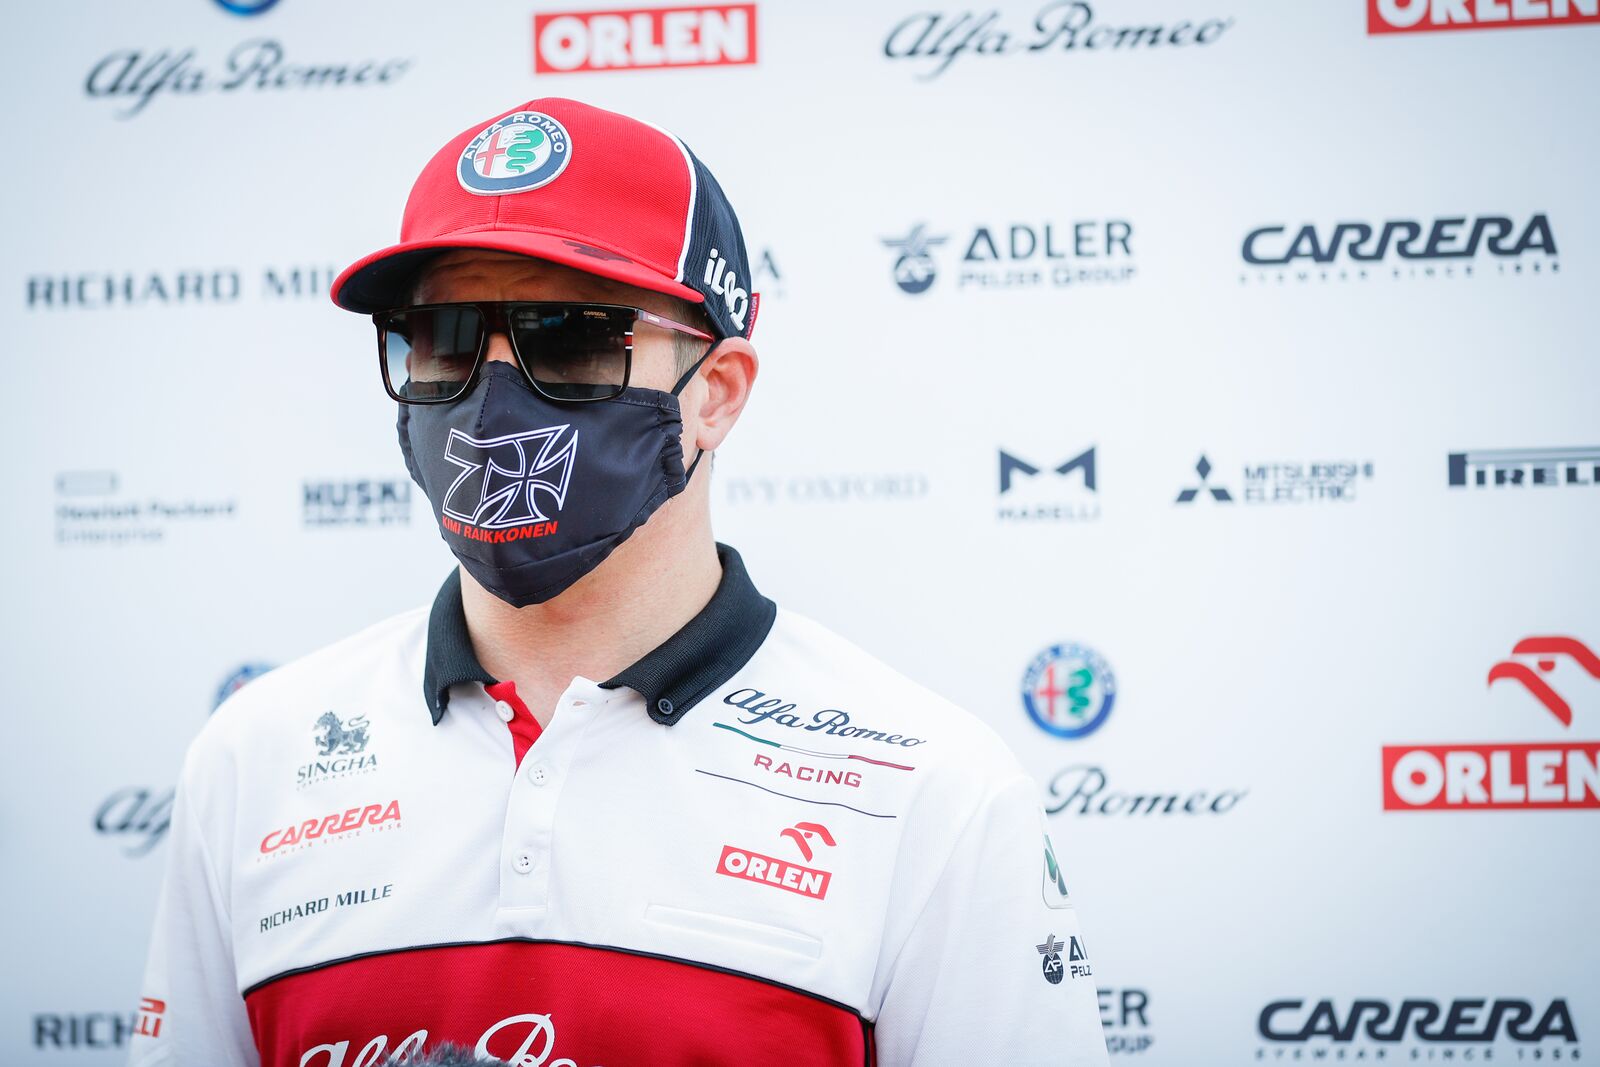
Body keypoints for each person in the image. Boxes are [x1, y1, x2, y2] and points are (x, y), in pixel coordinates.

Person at [129, 96, 1109, 1067]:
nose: (491, 395)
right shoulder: (255, 759)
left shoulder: (929, 793)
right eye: (443, 332)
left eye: (570, 333)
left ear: (716, 392)